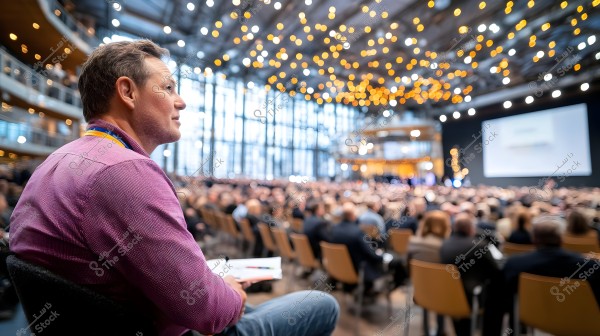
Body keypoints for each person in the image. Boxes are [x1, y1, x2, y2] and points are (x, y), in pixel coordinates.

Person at [9, 40, 339, 336]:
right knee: (322, 304)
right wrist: (233, 290)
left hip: (117, 317)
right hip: (161, 326)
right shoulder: (125, 172)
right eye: (168, 88)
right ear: (128, 92)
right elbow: (207, 312)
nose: (180, 102)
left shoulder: (57, 160)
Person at [483, 216, 600, 335]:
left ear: (534, 239)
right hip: (581, 324)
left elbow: (495, 302)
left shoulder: (514, 265)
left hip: (531, 321)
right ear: (561, 238)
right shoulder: (590, 266)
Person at [440, 213, 501, 336]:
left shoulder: (444, 245)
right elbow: (496, 272)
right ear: (470, 229)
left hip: (444, 295)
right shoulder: (479, 246)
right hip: (467, 297)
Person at [407, 210, 451, 336]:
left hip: (420, 290)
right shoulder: (447, 246)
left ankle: (426, 331)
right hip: (444, 294)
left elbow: (408, 267)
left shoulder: (413, 242)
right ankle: (440, 330)